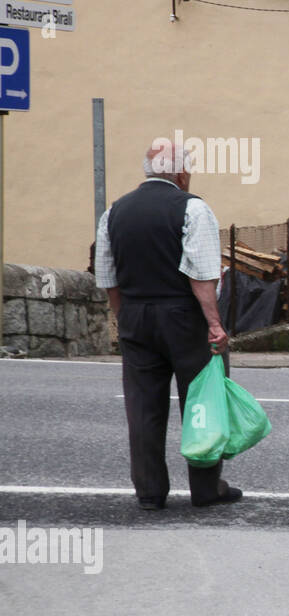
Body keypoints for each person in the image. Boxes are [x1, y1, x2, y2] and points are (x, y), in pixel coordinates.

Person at [94, 138, 243, 510]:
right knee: (203, 401)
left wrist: (124, 318)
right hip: (184, 317)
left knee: (142, 406)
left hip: (135, 315)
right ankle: (206, 488)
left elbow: (108, 277)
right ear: (179, 172)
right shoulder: (192, 208)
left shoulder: (114, 212)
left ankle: (149, 492)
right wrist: (214, 324)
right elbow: (202, 275)